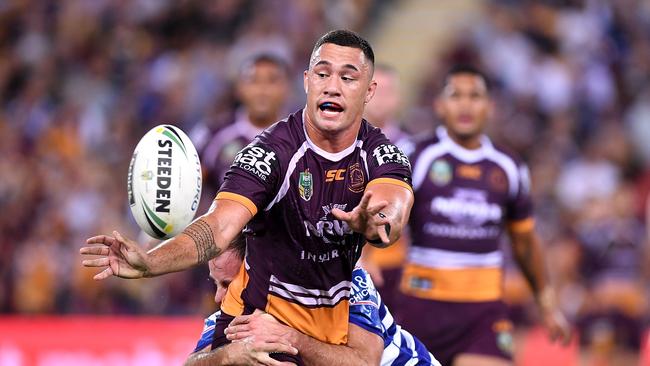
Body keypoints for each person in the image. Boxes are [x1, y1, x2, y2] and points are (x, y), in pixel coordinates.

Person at [81, 29, 414, 365]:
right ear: (307, 81)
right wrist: (152, 262)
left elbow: (393, 207)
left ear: (369, 91)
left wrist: (375, 222)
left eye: (348, 77)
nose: (332, 86)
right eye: (323, 74)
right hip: (261, 312)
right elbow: (219, 227)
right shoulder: (268, 153)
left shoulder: (382, 154)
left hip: (333, 310)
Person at [394, 65, 571, 366]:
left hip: (483, 311)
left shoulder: (509, 167)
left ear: (490, 107)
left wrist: (547, 302)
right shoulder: (414, 155)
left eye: (475, 96)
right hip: (421, 307)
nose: (465, 104)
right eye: (456, 95)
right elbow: (384, 217)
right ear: (440, 105)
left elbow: (525, 242)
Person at [187, 235, 441, 366]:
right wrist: (232, 354)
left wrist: (290, 337)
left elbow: (364, 363)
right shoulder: (238, 315)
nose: (219, 297)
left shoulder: (342, 278)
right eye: (216, 284)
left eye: (228, 285)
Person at [192, 53, 291, 215]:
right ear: (239, 88)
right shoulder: (212, 134)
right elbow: (185, 188)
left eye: (272, 80)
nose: (262, 89)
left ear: (286, 88)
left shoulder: (303, 136)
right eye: (253, 80)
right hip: (223, 235)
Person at [360, 64, 413, 309]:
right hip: (344, 260)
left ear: (397, 98)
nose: (381, 98)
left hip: (396, 265)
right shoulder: (337, 145)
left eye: (388, 91)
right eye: (376, 90)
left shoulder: (413, 150)